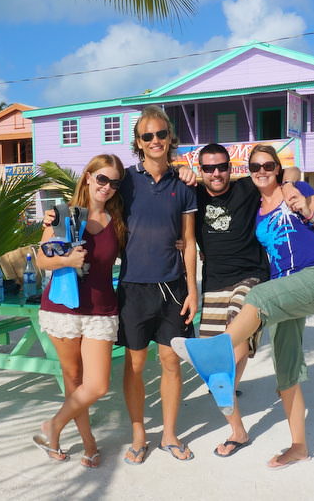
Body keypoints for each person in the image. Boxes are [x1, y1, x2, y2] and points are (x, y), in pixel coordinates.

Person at [173, 143, 314, 468]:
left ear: (276, 168)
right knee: (286, 367)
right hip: (282, 287)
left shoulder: (295, 190)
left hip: (313, 275)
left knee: (255, 300)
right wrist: (180, 172)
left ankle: (215, 350)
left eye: (268, 165)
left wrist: (305, 206)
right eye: (256, 167)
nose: (261, 171)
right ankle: (299, 446)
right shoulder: (257, 208)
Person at [33, 154, 127, 469]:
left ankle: (52, 426)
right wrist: (65, 261)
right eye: (102, 179)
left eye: (115, 182)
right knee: (74, 379)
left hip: (101, 309)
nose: (108, 187)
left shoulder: (119, 221)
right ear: (88, 177)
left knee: (97, 385)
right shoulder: (62, 215)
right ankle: (88, 443)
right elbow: (41, 260)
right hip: (62, 307)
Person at [117, 105, 198, 464]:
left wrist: (193, 289)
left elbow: (190, 241)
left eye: (160, 134)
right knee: (134, 365)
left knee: (170, 361)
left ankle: (168, 434)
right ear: (138, 142)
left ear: (170, 138)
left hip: (172, 287)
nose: (155, 141)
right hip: (133, 287)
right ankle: (138, 435)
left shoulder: (183, 185)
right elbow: (93, 198)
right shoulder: (125, 182)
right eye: (147, 136)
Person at [192, 143, 270, 457]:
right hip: (213, 283)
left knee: (233, 340)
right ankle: (234, 419)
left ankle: (232, 410)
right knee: (215, 361)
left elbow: (286, 173)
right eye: (209, 168)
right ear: (201, 171)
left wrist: (292, 185)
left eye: (222, 166)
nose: (216, 173)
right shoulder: (193, 195)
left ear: (230, 167)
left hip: (250, 276)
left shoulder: (246, 188)